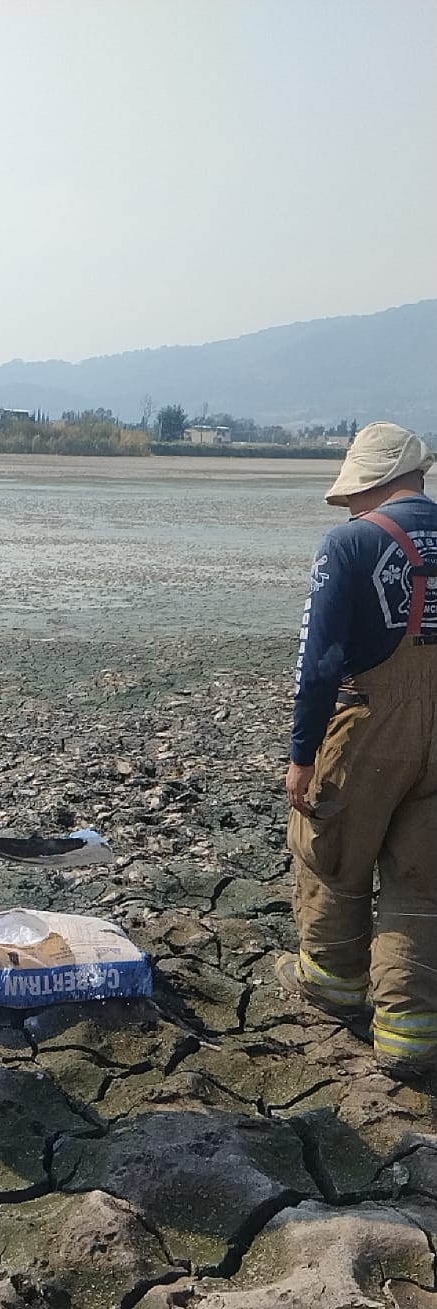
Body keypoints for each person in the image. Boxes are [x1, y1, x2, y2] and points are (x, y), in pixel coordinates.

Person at [279, 421, 437, 1079]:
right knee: (420, 880)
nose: (347, 506)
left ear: (369, 483)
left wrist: (302, 752)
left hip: (371, 727)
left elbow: (319, 663)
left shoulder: (350, 543)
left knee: (330, 852)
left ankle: (334, 988)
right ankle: (409, 1036)